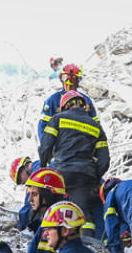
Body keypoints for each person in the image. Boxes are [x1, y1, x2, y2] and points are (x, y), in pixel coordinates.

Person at [39, 91, 109, 235]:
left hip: (60, 173)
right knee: (85, 215)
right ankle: (90, 245)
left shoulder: (58, 119)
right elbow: (104, 160)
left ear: (64, 106)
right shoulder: (96, 126)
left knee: (50, 208)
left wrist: (44, 167)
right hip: (84, 176)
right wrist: (94, 178)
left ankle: (45, 238)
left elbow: (45, 147)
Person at [37, 64, 97, 140]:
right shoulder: (52, 100)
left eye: (72, 80)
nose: (68, 85)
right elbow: (43, 126)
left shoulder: (86, 101)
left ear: (78, 81)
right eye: (65, 79)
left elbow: (95, 126)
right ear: (61, 79)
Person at [9, 156, 40, 230]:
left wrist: (20, 227)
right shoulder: (41, 164)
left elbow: (28, 208)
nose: (23, 183)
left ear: (23, 168)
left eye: (20, 179)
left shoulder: (37, 175)